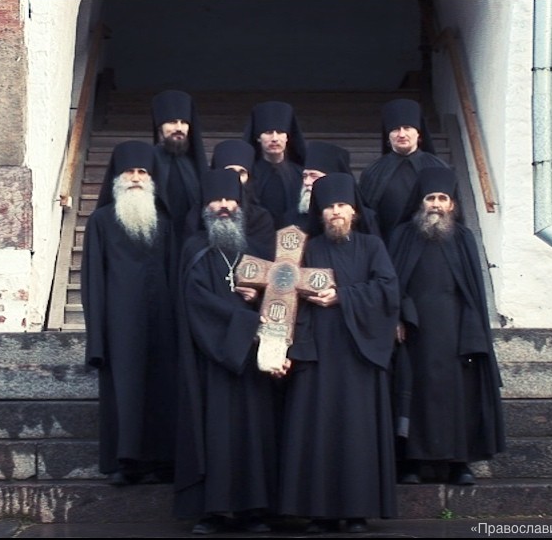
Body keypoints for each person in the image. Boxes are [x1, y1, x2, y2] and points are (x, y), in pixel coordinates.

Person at [277, 172, 400, 534]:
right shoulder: (307, 248)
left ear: (354, 211)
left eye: (342, 205)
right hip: (316, 351)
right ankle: (317, 512)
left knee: (356, 432)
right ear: (320, 213)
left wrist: (342, 296)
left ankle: (357, 511)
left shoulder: (372, 246)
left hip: (357, 352)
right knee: (316, 431)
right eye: (329, 206)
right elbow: (284, 291)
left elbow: (387, 289)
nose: (335, 212)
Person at [174, 168, 285, 535]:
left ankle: (255, 510)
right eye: (216, 200)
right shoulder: (194, 249)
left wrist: (258, 299)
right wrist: (245, 323)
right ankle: (214, 512)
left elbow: (280, 301)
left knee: (255, 434)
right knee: (215, 434)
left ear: (240, 205)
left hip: (251, 363)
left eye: (230, 200)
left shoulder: (255, 250)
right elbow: (196, 302)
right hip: (212, 362)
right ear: (205, 207)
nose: (224, 206)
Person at [387, 166, 505, 486]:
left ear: (452, 204)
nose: (436, 204)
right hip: (414, 331)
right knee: (413, 392)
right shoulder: (401, 236)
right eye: (431, 198)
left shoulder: (464, 238)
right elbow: (392, 282)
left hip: (455, 331)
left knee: (458, 394)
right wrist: (397, 317)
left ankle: (458, 463)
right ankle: (411, 462)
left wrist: (471, 333)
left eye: (442, 198)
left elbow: (472, 292)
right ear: (420, 202)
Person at [80, 140, 178, 486]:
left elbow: (174, 274)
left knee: (162, 390)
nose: (136, 178)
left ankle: (163, 461)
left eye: (142, 172)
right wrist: (96, 338)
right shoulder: (101, 221)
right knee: (125, 391)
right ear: (117, 178)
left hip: (162, 320)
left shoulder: (164, 222)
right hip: (119, 323)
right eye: (129, 172)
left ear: (151, 178)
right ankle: (126, 463)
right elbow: (92, 280)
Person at [358, 98, 451, 244]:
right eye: (395, 129)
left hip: (429, 245)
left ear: (418, 133)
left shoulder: (438, 167)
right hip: (387, 246)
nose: (401, 134)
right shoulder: (372, 172)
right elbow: (366, 218)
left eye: (407, 128)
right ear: (388, 136)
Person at [151, 89, 209, 241]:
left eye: (183, 122)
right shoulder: (148, 160)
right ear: (160, 127)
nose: (179, 128)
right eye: (172, 122)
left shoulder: (195, 164)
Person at [242, 100, 307, 229]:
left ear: (287, 137)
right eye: (268, 133)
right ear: (258, 137)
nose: (275, 138)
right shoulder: (248, 175)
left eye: (280, 132)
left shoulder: (301, 174)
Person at [283, 140, 353, 230]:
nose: (307, 182)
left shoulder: (354, 221)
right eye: (305, 176)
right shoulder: (290, 219)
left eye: (313, 176)